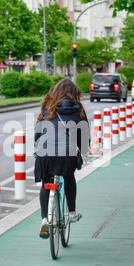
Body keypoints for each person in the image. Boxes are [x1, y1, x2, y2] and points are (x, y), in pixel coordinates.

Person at [34, 79, 90, 239]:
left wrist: (36, 147)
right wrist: (84, 150)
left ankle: (45, 218)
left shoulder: (47, 107)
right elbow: (83, 136)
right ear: (75, 93)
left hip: (45, 154)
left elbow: (38, 132)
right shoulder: (78, 110)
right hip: (67, 155)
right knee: (68, 177)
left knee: (46, 184)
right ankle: (71, 212)